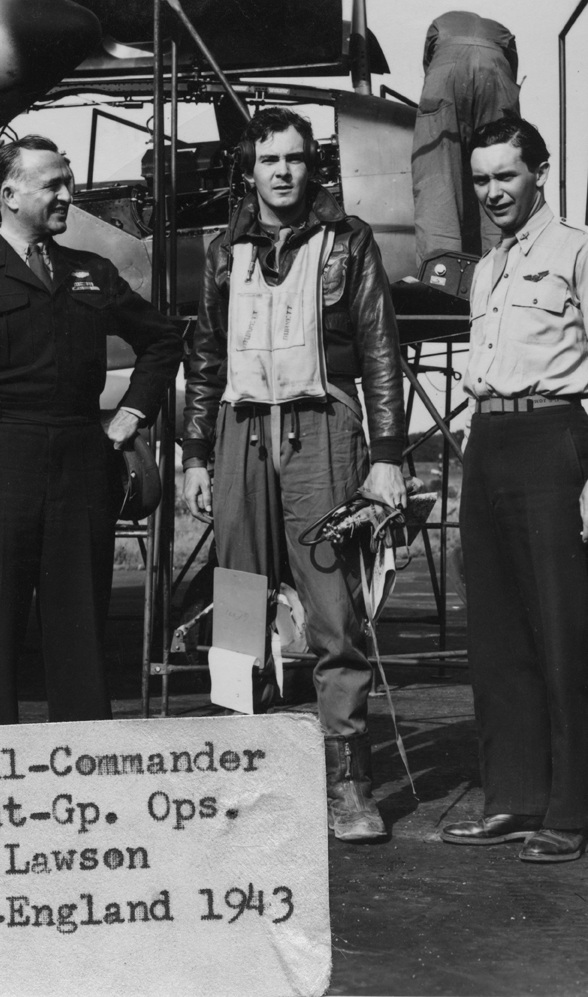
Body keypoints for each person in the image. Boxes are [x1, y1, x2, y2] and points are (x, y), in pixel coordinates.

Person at [182, 107, 407, 843]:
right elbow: (206, 354)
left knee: (331, 609)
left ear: (315, 167)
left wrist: (384, 455)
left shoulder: (348, 241)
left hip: (321, 426)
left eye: (296, 159)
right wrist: (192, 452)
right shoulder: (224, 250)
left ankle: (346, 782)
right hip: (240, 431)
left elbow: (379, 347)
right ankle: (238, 767)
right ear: (247, 171)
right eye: (269, 160)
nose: (283, 172)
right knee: (238, 598)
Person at [0, 135, 182, 726]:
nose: (67, 195)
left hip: (82, 468)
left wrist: (132, 411)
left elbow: (162, 340)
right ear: (9, 194)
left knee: (81, 641)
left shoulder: (91, 273)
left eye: (67, 182)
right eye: (52, 184)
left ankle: (85, 790)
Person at [442, 117, 588, 863]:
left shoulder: (581, 250)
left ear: (540, 173)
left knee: (560, 634)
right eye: (481, 179)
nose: (493, 191)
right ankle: (513, 798)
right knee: (495, 636)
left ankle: (565, 811)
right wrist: (468, 439)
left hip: (552, 442)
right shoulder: (486, 267)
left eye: (506, 175)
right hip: (489, 444)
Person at [411, 10, 521, 263]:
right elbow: (512, 70)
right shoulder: (500, 28)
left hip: (445, 69)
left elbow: (430, 67)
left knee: (437, 179)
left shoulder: (441, 22)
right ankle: (505, 268)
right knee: (503, 171)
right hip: (497, 69)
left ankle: (440, 276)